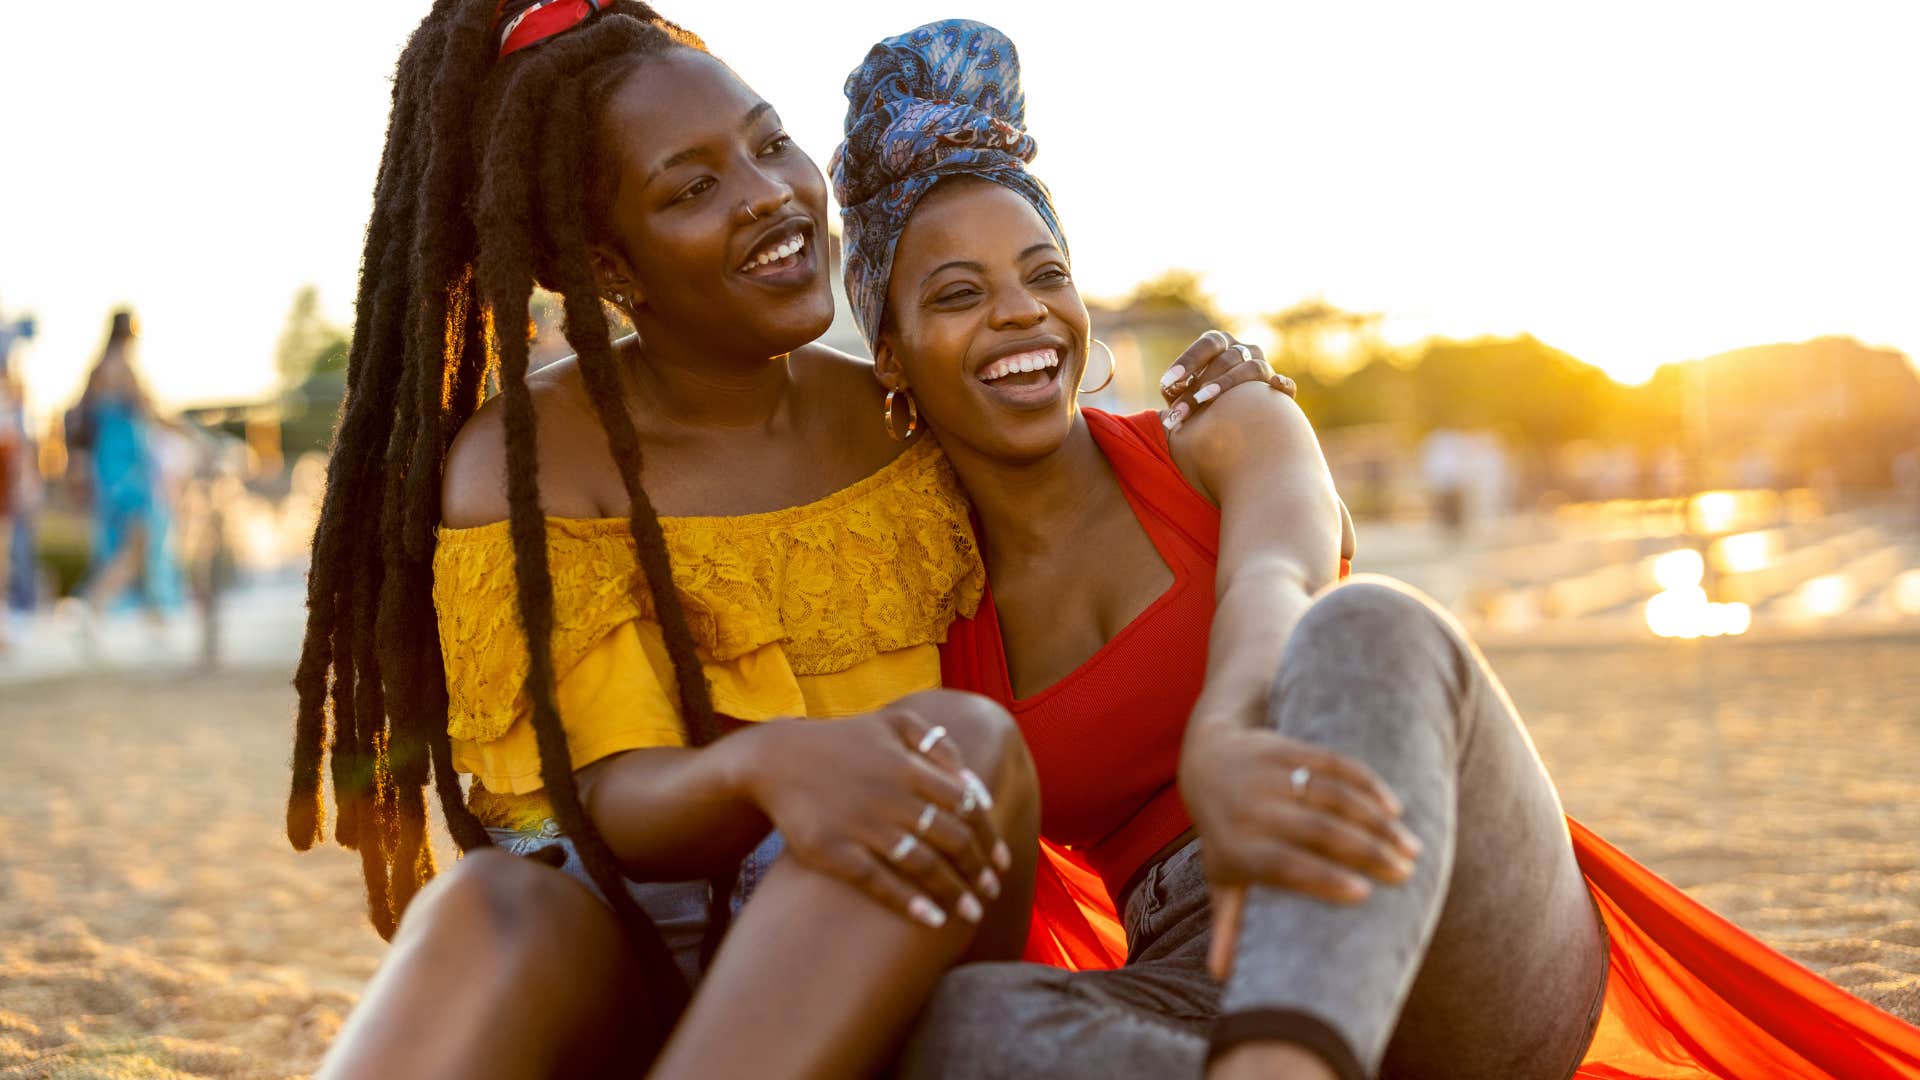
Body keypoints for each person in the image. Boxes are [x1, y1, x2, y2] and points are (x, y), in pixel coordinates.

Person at [836, 19, 1920, 1080]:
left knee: (1375, 624)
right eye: (959, 295)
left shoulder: (1223, 425)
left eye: (1045, 274)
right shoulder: (930, 612)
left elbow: (1282, 578)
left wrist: (1226, 730)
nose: (1022, 316)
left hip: (1442, 915)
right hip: (1195, 976)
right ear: (888, 352)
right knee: (969, 1023)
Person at [290, 4, 1271, 1077]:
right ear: (603, 264)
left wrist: (1229, 415)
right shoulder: (527, 468)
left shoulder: (904, 416)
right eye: (692, 188)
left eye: (769, 143)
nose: (769, 196)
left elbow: (1080, 481)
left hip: (872, 936)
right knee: (491, 899)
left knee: (960, 750)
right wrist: (768, 766)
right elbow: (603, 801)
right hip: (622, 943)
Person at [71, 309, 179, 624]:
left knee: (126, 540)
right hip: (128, 469)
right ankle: (98, 604)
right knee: (143, 536)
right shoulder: (125, 370)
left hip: (107, 468)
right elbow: (153, 411)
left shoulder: (96, 370)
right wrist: (196, 437)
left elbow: (83, 423)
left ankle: (144, 609)